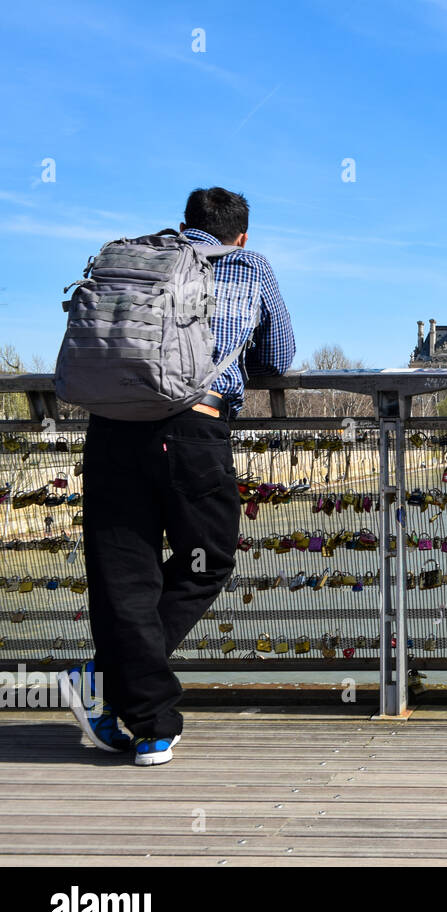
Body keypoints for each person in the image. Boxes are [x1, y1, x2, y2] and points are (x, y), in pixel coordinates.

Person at [59, 187, 295, 766]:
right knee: (206, 559)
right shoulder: (248, 265)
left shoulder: (131, 258)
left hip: (112, 428)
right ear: (241, 234)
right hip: (193, 430)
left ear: (184, 224)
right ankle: (116, 689)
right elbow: (277, 357)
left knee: (123, 575)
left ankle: (146, 722)